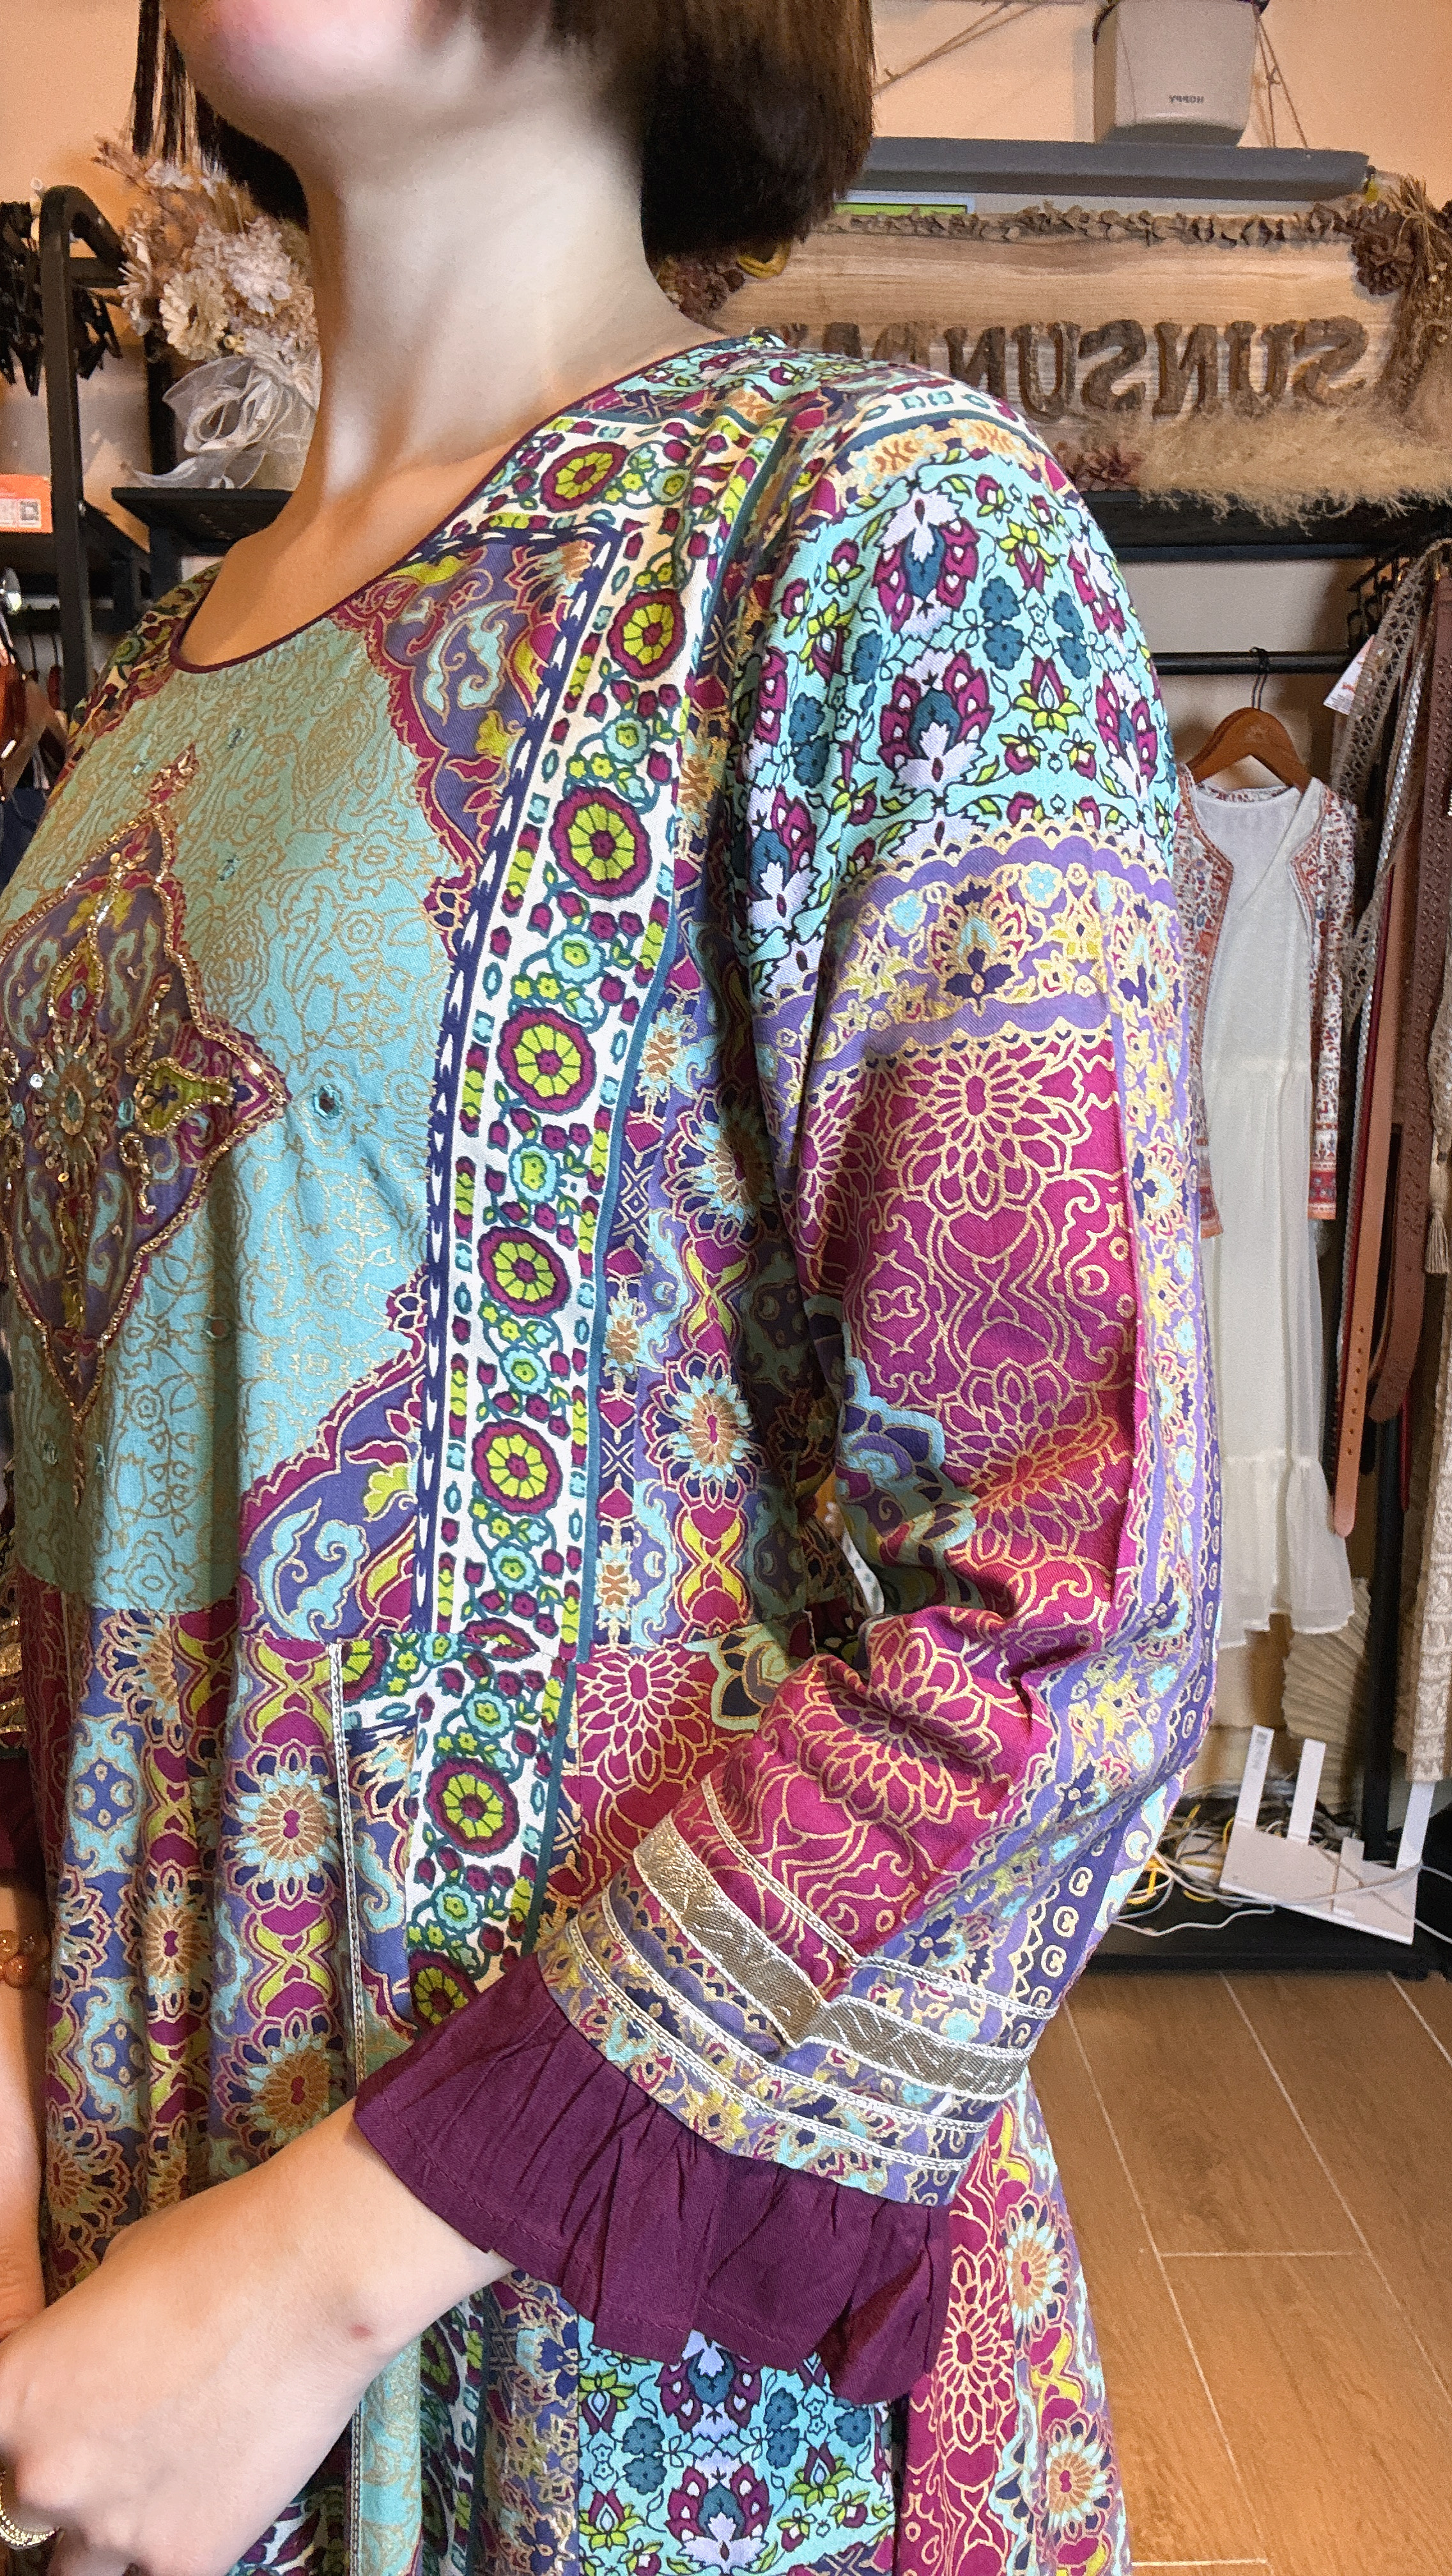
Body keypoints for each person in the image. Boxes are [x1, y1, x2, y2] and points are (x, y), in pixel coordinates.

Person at [0, 3, 1216, 2571]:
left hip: (595, 2345)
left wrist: (316, 2281)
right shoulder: (146, 687)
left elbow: (1069, 1591)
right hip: (137, 2285)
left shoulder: (875, 536)